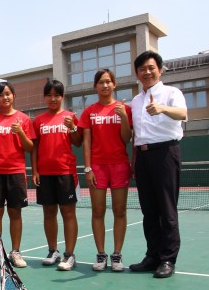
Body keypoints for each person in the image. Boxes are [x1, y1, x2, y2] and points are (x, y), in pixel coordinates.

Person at [128, 51, 187, 278]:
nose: (147, 72)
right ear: (137, 74)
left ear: (160, 70)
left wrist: (163, 108)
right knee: (149, 211)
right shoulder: (135, 101)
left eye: (151, 68)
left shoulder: (172, 93)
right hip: (143, 157)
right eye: (142, 69)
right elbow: (137, 135)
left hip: (165, 153)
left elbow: (183, 113)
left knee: (167, 210)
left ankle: (168, 259)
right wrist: (135, 162)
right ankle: (152, 256)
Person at [79, 69, 132, 272]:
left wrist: (124, 118)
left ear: (114, 84)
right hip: (97, 167)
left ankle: (117, 255)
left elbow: (127, 138)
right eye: (101, 82)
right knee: (98, 211)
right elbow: (86, 142)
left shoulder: (124, 109)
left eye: (109, 81)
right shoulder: (89, 112)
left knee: (120, 211)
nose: (105, 85)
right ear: (95, 86)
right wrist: (88, 169)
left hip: (119, 165)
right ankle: (101, 254)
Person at [31, 79, 82, 271]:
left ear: (62, 97)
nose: (53, 99)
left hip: (66, 172)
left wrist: (73, 127)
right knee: (49, 213)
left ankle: (69, 254)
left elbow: (78, 142)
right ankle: (53, 251)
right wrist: (35, 170)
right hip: (45, 174)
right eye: (49, 95)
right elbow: (34, 148)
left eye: (57, 95)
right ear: (44, 97)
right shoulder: (39, 120)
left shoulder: (70, 117)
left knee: (68, 213)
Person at [0, 82, 35, 268]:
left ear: (13, 95)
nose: (5, 97)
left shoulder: (23, 119)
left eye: (8, 94)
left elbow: (30, 147)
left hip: (16, 172)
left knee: (15, 212)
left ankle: (15, 252)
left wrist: (20, 133)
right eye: (0, 95)